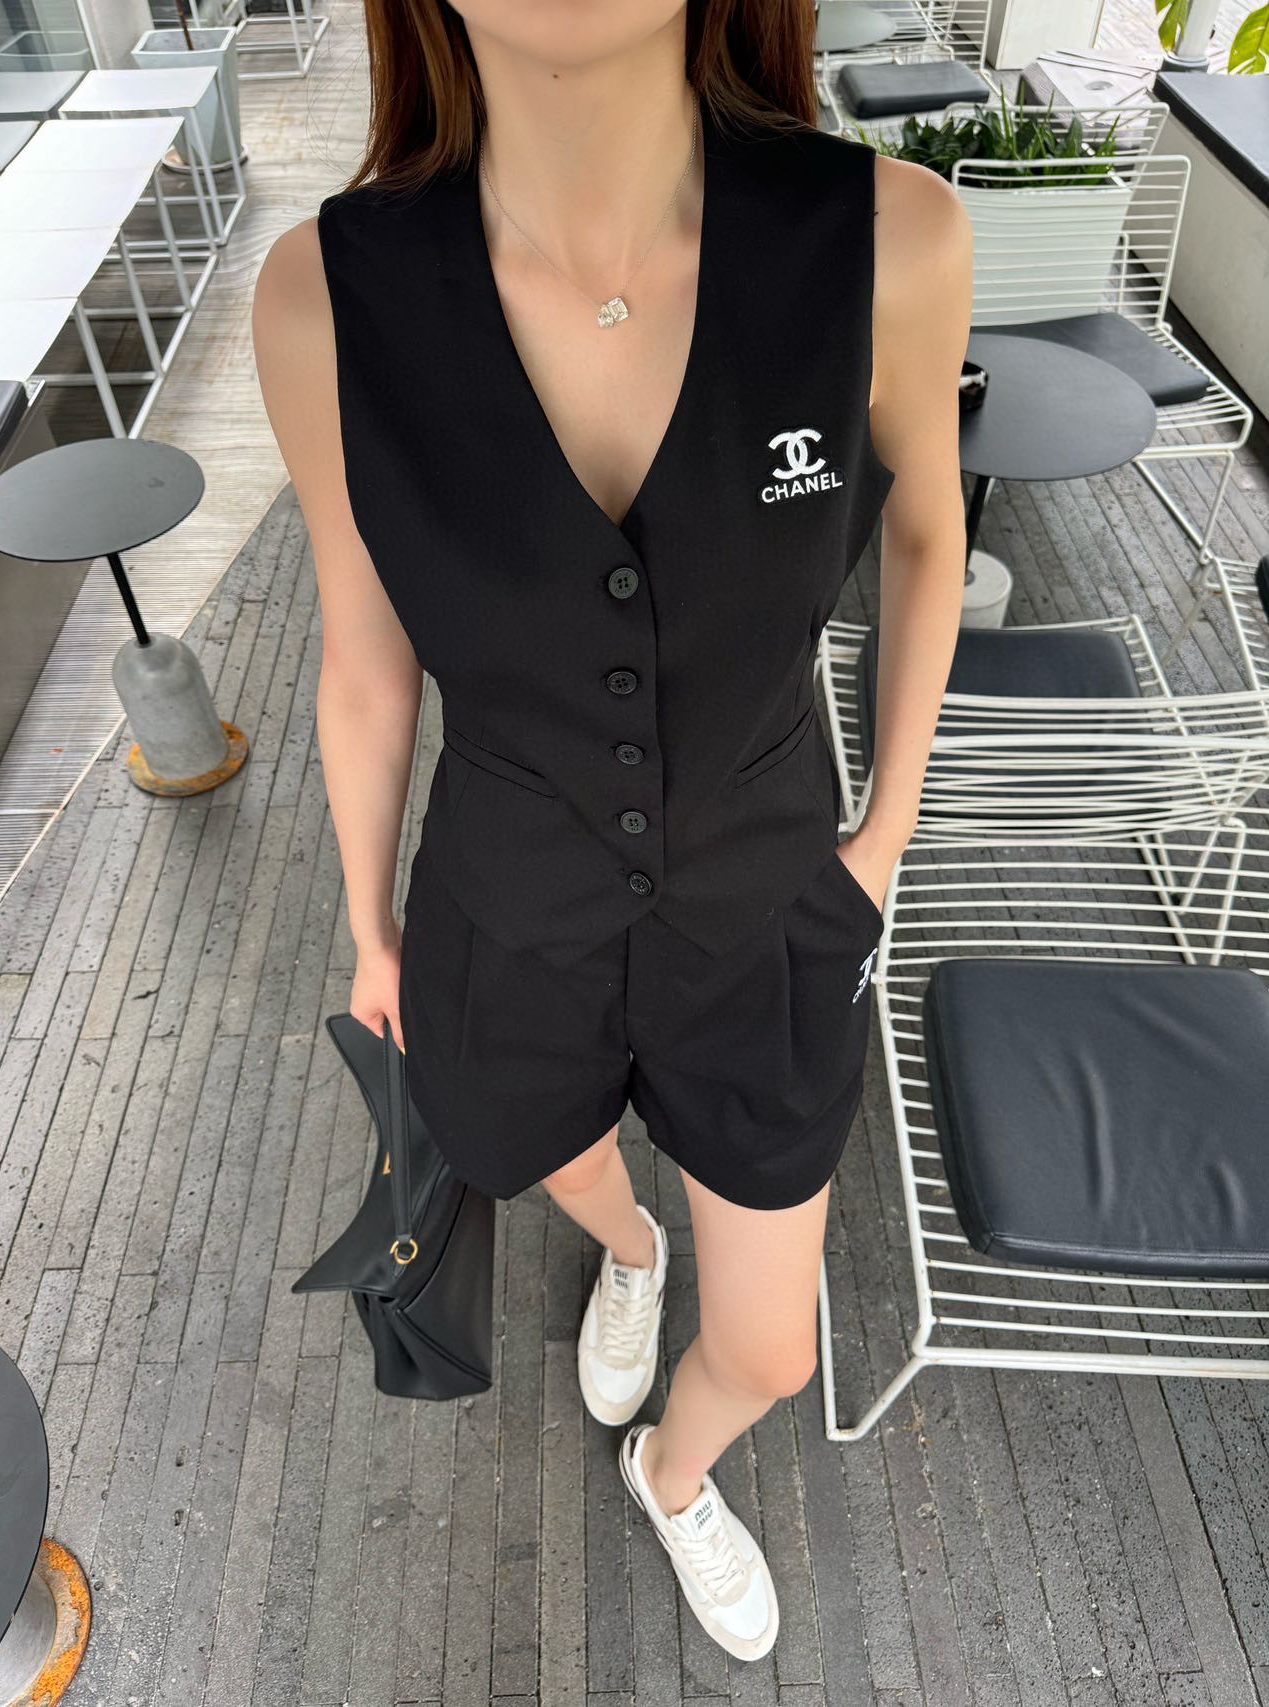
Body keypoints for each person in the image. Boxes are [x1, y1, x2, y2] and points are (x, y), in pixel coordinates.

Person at [253, 0, 969, 1665]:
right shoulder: (323, 299)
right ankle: (633, 1250)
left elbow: (929, 537)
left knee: (774, 1347)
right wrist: (369, 927)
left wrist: (886, 838)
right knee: (540, 1148)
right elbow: (363, 659)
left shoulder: (891, 241)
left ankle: (670, 1469)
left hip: (771, 901)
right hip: (505, 907)